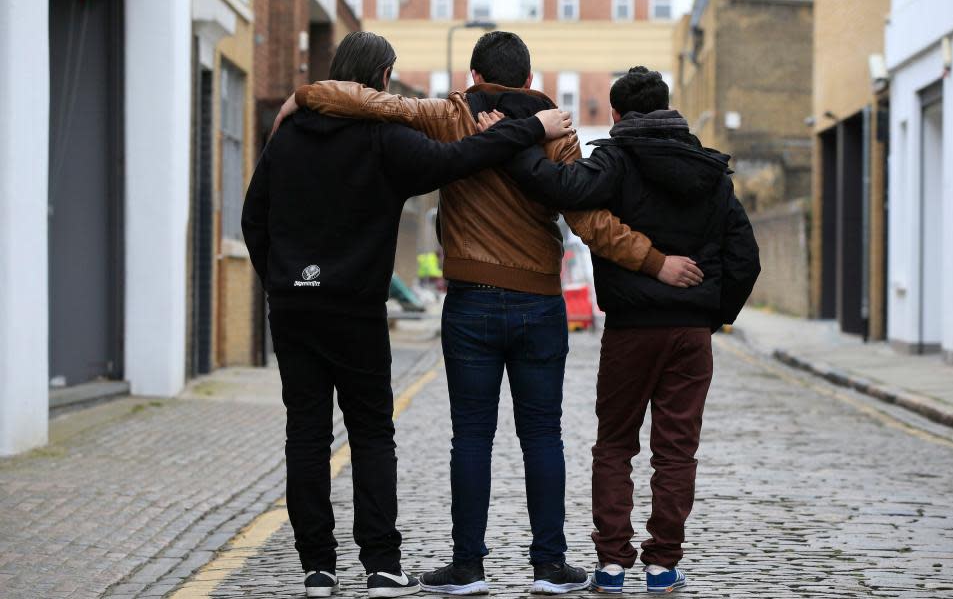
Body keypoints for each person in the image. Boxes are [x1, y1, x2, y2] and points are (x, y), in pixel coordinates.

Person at [271, 31, 704, 596]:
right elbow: (589, 221)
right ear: (529, 79)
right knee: (543, 436)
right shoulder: (555, 127)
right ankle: (550, 566)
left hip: (471, 301)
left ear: (474, 77)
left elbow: (377, 103)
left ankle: (467, 567)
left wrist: (307, 95)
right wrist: (656, 262)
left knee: (470, 438)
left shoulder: (451, 114)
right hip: (541, 303)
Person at [241, 31, 574, 599]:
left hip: (294, 306)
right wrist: (531, 128)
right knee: (371, 432)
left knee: (306, 433)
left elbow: (254, 217)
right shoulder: (384, 139)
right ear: (384, 75)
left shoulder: (287, 135)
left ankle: (317, 569)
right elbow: (460, 158)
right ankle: (381, 566)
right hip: (356, 308)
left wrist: (283, 280)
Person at [502, 67, 761, 594]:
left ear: (616, 115)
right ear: (669, 107)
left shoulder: (615, 160)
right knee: (676, 452)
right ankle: (663, 564)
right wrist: (710, 314)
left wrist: (524, 143)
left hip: (630, 332)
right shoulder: (710, 170)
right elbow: (745, 258)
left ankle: (613, 565)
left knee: (615, 445)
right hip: (690, 333)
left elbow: (562, 187)